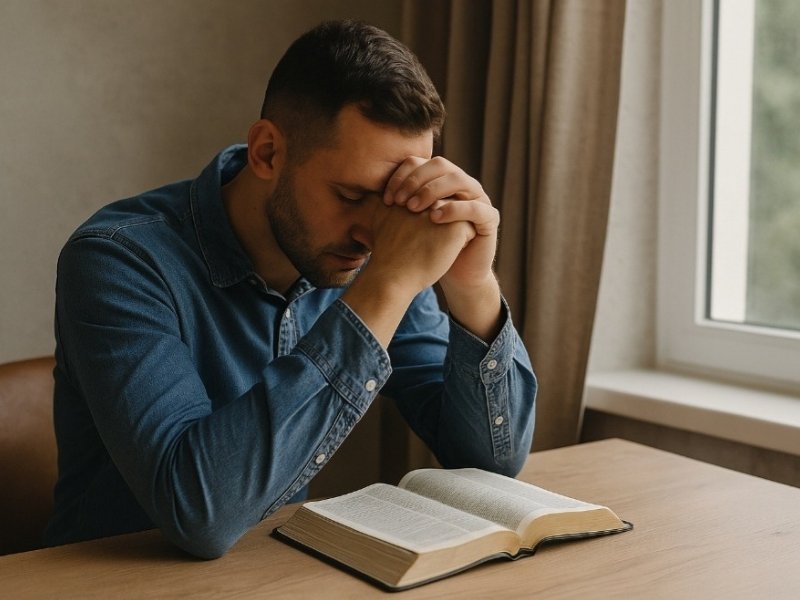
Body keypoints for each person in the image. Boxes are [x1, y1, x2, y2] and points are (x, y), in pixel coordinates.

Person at [45, 20, 537, 559]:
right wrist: (388, 284)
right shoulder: (118, 260)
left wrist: (473, 286)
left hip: (276, 576)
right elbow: (198, 514)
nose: (374, 234)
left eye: (393, 203)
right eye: (351, 194)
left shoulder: (368, 251)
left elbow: (491, 464)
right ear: (267, 152)